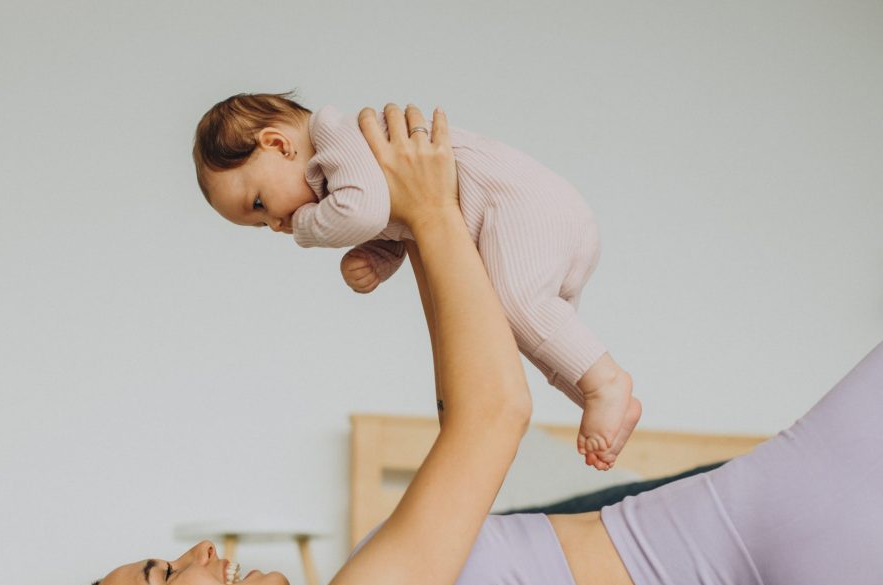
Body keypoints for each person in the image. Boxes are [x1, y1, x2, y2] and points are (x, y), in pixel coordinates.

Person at [56, 104, 883, 585]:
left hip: (794, 529)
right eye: (164, 573)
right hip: (792, 521)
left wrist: (424, 227)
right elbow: (496, 416)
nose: (197, 554)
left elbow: (466, 411)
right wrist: (429, 211)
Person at [192, 92, 640, 470]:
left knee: (514, 304)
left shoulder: (335, 136)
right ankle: (598, 399)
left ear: (277, 143)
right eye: (259, 225)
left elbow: (364, 210)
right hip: (534, 218)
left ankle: (606, 383)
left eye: (258, 203)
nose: (274, 224)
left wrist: (307, 229)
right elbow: (399, 222)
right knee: (517, 330)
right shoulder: (341, 178)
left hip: (524, 204)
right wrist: (376, 258)